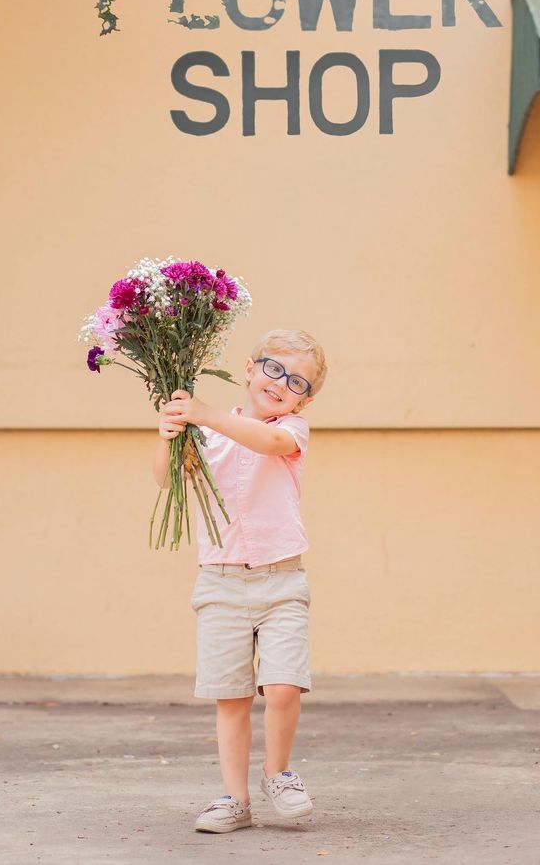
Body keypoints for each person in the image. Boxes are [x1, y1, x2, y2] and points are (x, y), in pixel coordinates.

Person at [152, 328, 327, 834]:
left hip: (281, 583)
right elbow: (167, 480)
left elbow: (266, 440)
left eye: (296, 381)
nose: (281, 383)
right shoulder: (204, 434)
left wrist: (204, 413)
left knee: (283, 686)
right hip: (220, 583)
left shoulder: (291, 430)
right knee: (230, 698)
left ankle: (278, 773)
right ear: (249, 370)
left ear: (305, 399)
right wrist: (169, 435)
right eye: (272, 369)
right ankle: (235, 799)